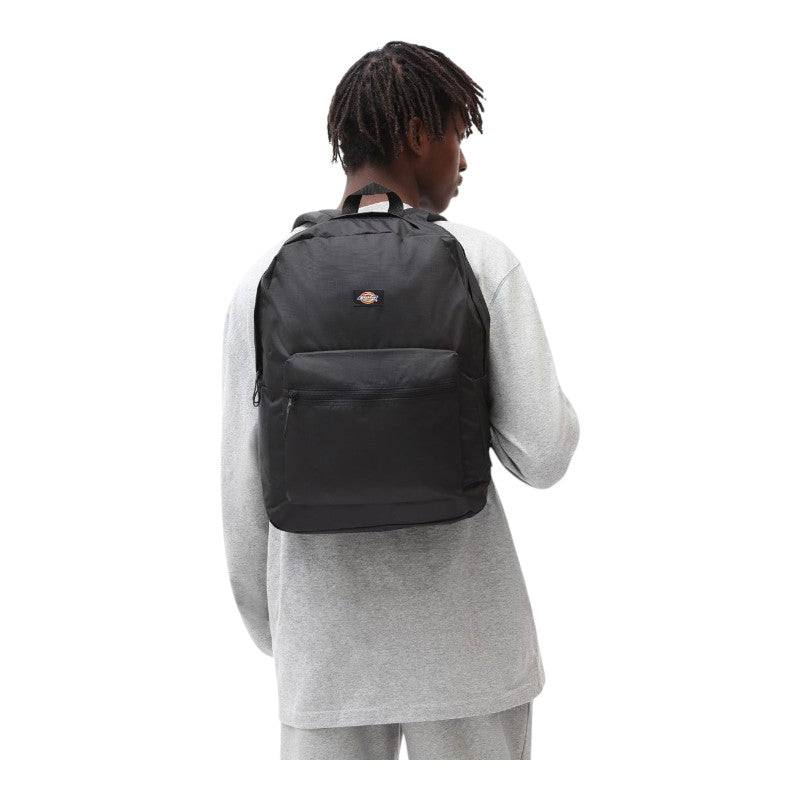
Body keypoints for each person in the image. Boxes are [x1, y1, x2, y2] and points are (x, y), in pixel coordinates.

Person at [220, 40, 580, 760]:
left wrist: (279, 634)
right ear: (418, 134)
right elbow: (544, 453)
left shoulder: (264, 278)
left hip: (324, 656)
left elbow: (242, 486)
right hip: (472, 652)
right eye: (457, 135)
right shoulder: (481, 260)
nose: (463, 160)